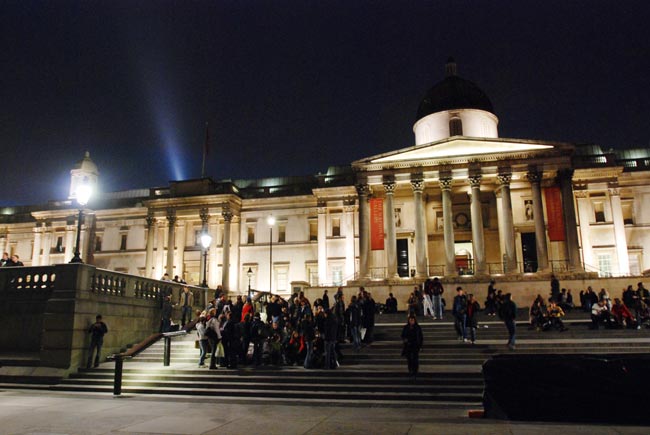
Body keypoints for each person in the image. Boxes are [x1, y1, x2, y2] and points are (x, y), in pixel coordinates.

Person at [401, 314, 423, 378]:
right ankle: (410, 370)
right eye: (410, 320)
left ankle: (415, 371)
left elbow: (420, 337)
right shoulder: (406, 327)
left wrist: (420, 346)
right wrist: (405, 339)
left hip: (415, 345)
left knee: (415, 358)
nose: (411, 321)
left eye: (412, 320)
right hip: (408, 345)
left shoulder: (417, 327)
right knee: (409, 359)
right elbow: (402, 335)